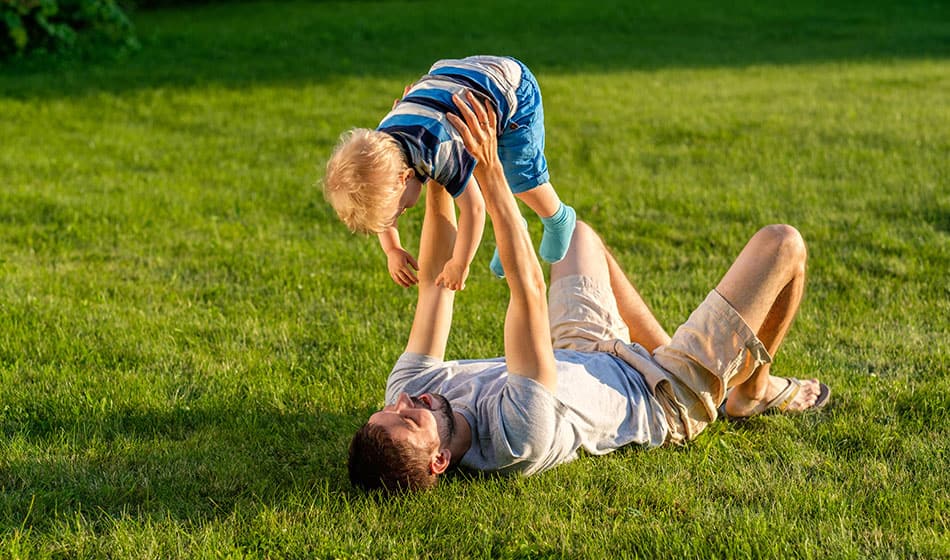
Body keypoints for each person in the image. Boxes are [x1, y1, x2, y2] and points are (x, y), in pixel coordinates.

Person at [346, 92, 831, 493]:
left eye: (390, 410)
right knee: (783, 245)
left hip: (581, 350)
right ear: (440, 461)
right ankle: (748, 391)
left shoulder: (409, 395)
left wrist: (431, 164)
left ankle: (674, 351)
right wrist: (490, 176)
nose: (406, 402)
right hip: (662, 398)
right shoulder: (517, 437)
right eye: (409, 421)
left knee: (577, 235)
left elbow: (434, 288)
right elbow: (528, 290)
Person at [323, 55, 576, 290]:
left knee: (520, 178)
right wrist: (393, 249)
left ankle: (557, 217)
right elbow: (382, 206)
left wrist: (459, 263)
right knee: (476, 174)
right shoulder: (382, 144)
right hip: (453, 78)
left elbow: (473, 210)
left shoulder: (440, 150)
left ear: (406, 177)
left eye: (399, 211)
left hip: (511, 87)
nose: (400, 214)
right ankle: (510, 228)